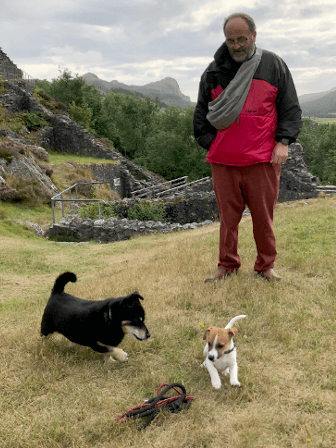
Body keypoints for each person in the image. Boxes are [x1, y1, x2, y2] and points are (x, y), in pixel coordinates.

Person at [193, 12, 302, 282]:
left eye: (242, 39)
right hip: (224, 163)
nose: (237, 45)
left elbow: (290, 108)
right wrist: (217, 145)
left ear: (254, 35)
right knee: (228, 220)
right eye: (231, 40)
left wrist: (283, 142)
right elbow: (200, 118)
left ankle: (266, 267)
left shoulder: (273, 65)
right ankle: (227, 266)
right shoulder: (213, 71)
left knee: (263, 218)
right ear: (225, 40)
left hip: (262, 160)